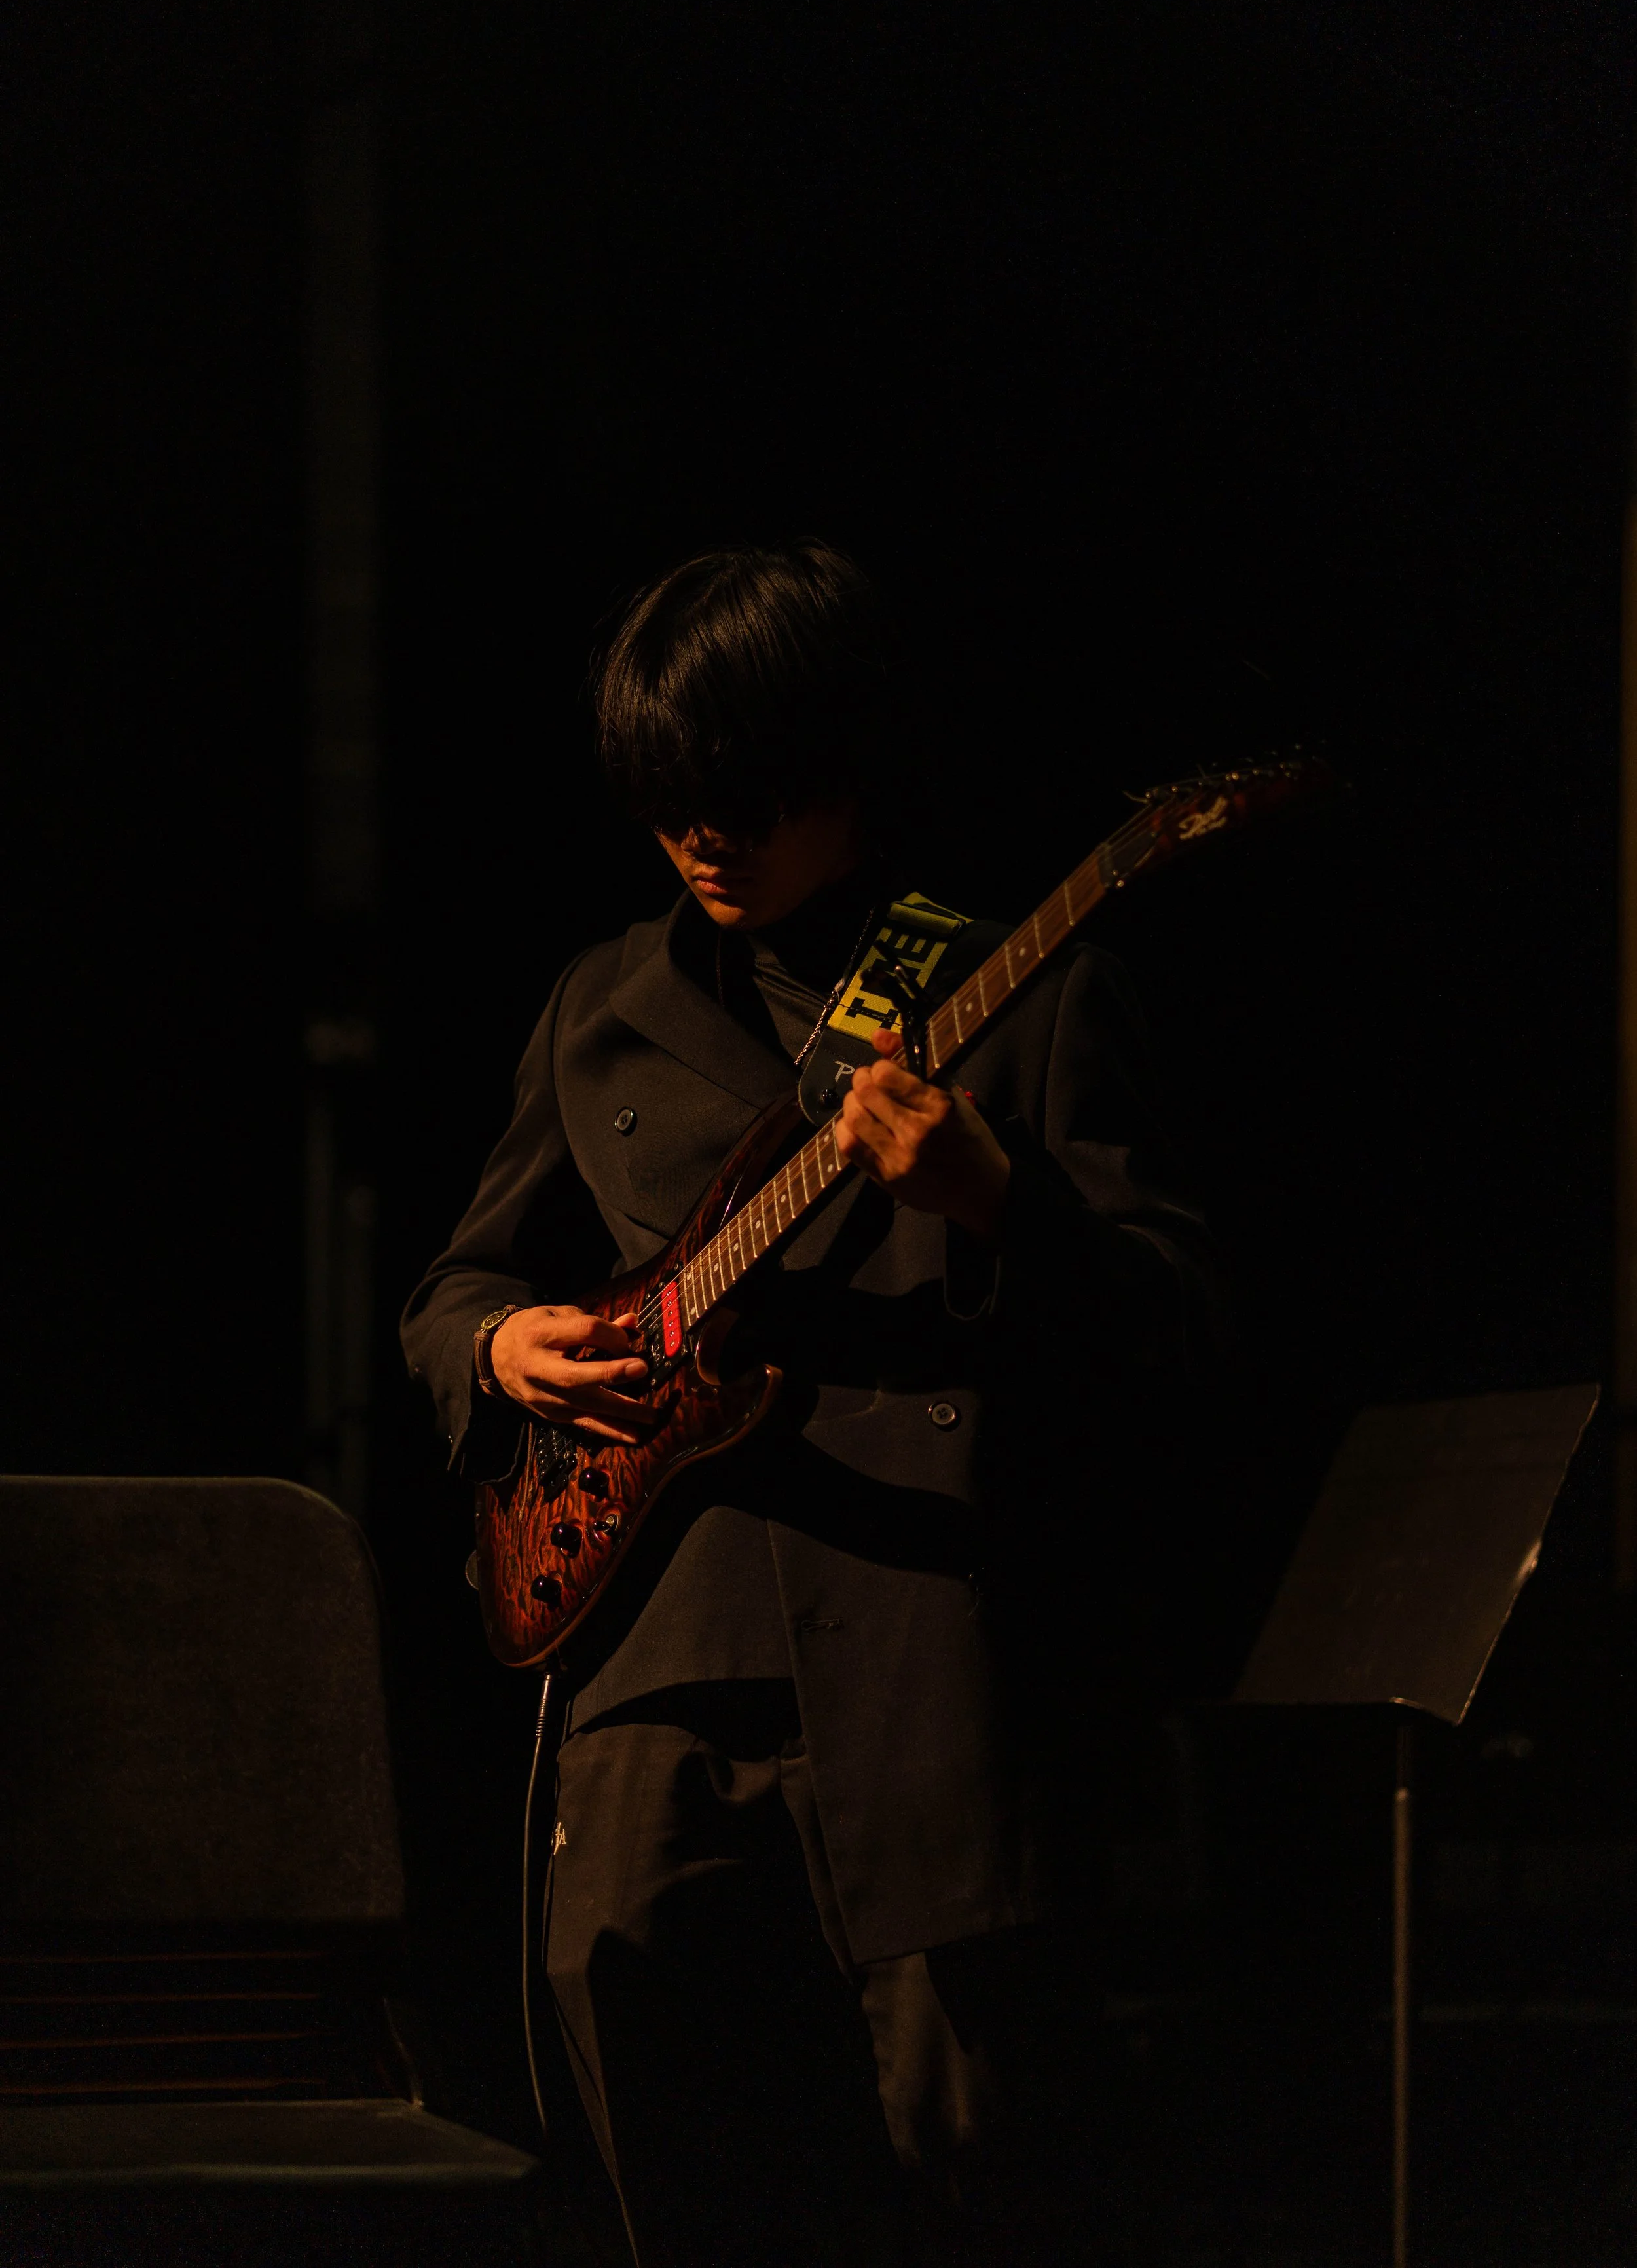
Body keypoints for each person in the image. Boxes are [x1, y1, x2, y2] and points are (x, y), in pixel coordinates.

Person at [402, 541, 1217, 2268]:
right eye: (668, 803)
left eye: (744, 797)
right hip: (649, 1660)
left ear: (844, 762)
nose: (705, 840)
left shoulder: (1021, 986)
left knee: (967, 2160)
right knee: (660, 2136)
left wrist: (998, 1201)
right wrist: (498, 1349)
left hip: (921, 1661)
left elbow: (1171, 1311)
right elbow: (453, 1287)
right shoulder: (597, 1005)